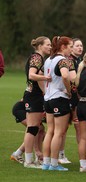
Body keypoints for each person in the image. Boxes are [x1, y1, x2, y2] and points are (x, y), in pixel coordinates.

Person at [42, 36, 73, 172]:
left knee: (50, 131)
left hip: (48, 98)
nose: (71, 50)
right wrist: (68, 90)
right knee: (59, 132)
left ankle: (46, 163)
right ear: (63, 47)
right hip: (59, 98)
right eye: (70, 46)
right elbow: (65, 76)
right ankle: (54, 164)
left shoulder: (48, 59)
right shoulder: (62, 60)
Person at [23, 36, 52, 169]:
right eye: (47, 44)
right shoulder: (37, 57)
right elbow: (32, 75)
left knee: (34, 128)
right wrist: (47, 78)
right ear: (40, 46)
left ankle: (32, 159)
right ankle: (28, 161)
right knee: (33, 128)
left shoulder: (40, 58)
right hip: (33, 96)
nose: (50, 47)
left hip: (33, 95)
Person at [59, 38, 83, 164]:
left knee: (79, 127)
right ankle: (60, 154)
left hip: (78, 98)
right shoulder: (68, 60)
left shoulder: (82, 61)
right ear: (71, 48)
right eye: (76, 46)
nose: (79, 48)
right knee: (63, 128)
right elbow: (70, 78)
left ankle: (83, 155)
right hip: (68, 96)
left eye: (81, 46)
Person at [10, 99, 45, 164]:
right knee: (35, 128)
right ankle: (37, 155)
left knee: (41, 130)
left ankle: (18, 154)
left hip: (29, 109)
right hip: (21, 109)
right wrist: (36, 150)